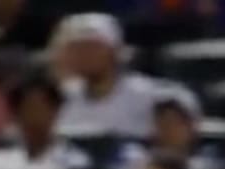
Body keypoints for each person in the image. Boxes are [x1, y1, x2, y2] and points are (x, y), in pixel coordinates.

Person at [51, 13, 178, 141]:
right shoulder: (60, 99)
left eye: (92, 47)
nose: (84, 55)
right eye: (77, 49)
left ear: (115, 51)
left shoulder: (154, 97)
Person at [0, 69, 88, 169]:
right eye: (29, 108)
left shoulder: (76, 164)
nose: (35, 116)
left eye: (42, 108)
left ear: (55, 111)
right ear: (16, 114)